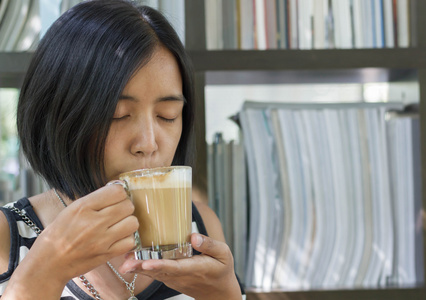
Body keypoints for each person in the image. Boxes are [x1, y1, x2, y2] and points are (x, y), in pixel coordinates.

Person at [0, 0, 245, 299]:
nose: (148, 143)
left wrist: (226, 295)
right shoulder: (7, 237)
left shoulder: (200, 227)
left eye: (167, 115)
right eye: (118, 115)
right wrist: (46, 269)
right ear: (59, 116)